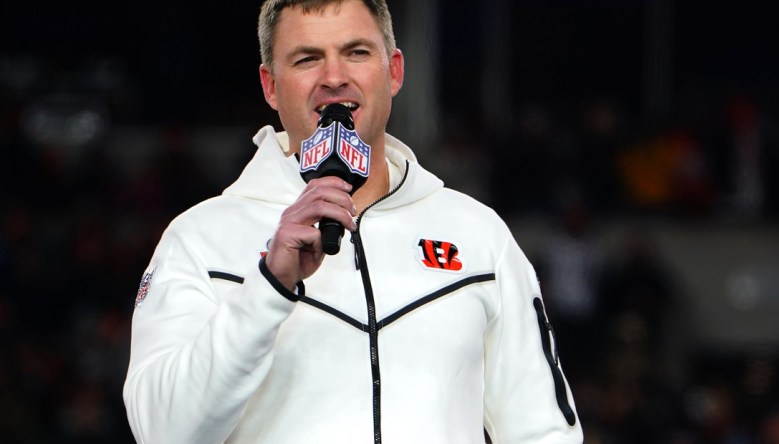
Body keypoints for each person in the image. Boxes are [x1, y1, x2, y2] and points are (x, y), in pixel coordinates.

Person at [122, 1, 583, 443]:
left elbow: (541, 430)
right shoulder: (201, 239)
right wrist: (267, 287)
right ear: (270, 86)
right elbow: (163, 432)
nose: (334, 78)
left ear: (394, 71)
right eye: (307, 59)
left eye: (356, 52)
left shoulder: (478, 235)